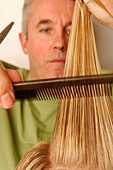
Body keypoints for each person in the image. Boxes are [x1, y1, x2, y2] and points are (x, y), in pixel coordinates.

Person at [0, 0, 113, 169]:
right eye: (46, 29)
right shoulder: (4, 85)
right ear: (24, 42)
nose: (60, 42)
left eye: (71, 30)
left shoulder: (106, 87)